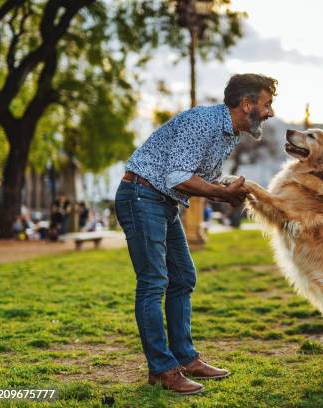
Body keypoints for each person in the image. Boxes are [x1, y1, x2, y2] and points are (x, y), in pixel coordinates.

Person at [114, 73, 276, 395]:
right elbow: (178, 176)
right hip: (141, 195)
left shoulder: (227, 134)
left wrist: (229, 187)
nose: (270, 112)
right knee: (153, 282)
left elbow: (196, 177)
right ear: (247, 105)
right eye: (267, 104)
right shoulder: (202, 122)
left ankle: (185, 359)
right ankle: (162, 370)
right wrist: (221, 193)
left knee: (184, 277)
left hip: (162, 200)